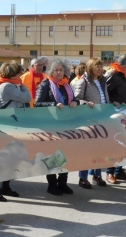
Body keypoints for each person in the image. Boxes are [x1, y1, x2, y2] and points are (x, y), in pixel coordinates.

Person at [35, 59, 90, 195]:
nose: (59, 72)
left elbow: (72, 100)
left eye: (61, 70)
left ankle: (63, 183)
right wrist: (53, 105)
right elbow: (37, 104)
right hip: (51, 125)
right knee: (53, 155)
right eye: (56, 70)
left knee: (67, 153)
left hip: (68, 125)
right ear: (51, 71)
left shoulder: (66, 84)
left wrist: (76, 102)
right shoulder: (45, 84)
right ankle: (52, 185)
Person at [0, 60, 32, 199]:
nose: (22, 73)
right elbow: (28, 97)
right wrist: (22, 85)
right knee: (3, 159)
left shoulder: (13, 85)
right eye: (20, 71)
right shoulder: (7, 87)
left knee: (12, 158)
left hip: (15, 126)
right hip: (8, 127)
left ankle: (5, 186)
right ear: (13, 73)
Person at [72, 58, 111, 188]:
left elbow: (105, 98)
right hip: (88, 119)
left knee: (100, 149)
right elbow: (76, 100)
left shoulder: (102, 81)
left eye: (100, 66)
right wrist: (86, 103)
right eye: (96, 66)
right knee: (87, 149)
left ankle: (97, 175)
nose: (99, 69)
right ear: (90, 68)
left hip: (102, 118)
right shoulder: (83, 81)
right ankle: (82, 178)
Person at [104, 55, 126, 183]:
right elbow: (106, 93)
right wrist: (114, 102)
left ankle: (119, 171)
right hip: (115, 115)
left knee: (125, 144)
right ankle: (109, 172)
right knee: (115, 145)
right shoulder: (113, 75)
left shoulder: (123, 76)